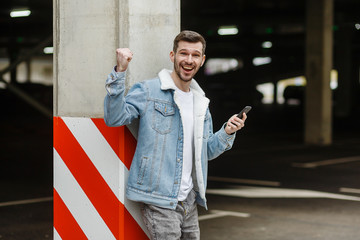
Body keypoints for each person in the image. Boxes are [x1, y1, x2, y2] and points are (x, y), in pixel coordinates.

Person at [104, 30, 247, 240]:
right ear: (173, 56)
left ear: (202, 60)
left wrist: (227, 132)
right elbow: (114, 118)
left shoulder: (201, 103)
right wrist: (120, 71)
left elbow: (205, 151)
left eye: (195, 55)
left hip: (188, 199)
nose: (189, 60)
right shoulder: (149, 91)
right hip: (160, 199)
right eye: (183, 53)